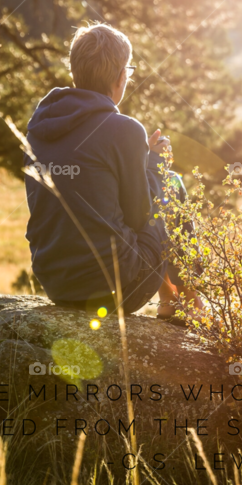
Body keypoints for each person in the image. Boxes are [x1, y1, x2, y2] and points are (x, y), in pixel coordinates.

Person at [24, 22, 199, 321]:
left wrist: (139, 160)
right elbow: (140, 216)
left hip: (56, 283)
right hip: (118, 288)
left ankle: (172, 296)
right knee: (171, 182)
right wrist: (154, 163)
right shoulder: (124, 130)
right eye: (128, 72)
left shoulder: (39, 126)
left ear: (75, 71)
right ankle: (188, 302)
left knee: (155, 185)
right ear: (120, 76)